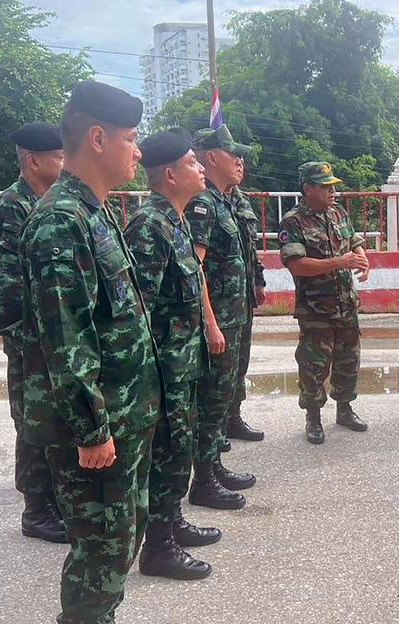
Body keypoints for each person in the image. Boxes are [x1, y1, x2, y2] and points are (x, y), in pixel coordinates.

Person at [19, 81, 161, 622]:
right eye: (131, 139)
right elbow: (66, 339)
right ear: (98, 138)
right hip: (98, 428)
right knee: (99, 553)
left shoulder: (94, 212)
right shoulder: (62, 221)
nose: (137, 152)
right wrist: (91, 429)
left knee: (118, 544)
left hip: (123, 417)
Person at [124, 127, 222, 580]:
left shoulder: (175, 220)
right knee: (166, 453)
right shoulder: (150, 227)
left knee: (178, 449)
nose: (200, 168)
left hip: (182, 364)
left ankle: (171, 522)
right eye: (191, 163)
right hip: (162, 371)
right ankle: (158, 548)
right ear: (169, 175)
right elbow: (137, 311)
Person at [0, 122, 67, 544]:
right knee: (33, 419)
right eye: (59, 157)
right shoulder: (12, 206)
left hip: (48, 334)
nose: (66, 164)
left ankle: (54, 498)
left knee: (54, 416)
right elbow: (9, 282)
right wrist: (24, 341)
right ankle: (36, 509)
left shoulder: (50, 201)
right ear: (34, 161)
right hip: (27, 337)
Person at [185, 124, 257, 510]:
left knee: (223, 396)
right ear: (212, 158)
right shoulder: (203, 204)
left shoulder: (226, 200)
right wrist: (210, 323)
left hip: (235, 314)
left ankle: (212, 466)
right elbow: (195, 268)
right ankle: (203, 481)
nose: (240, 160)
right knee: (211, 401)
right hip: (219, 320)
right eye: (234, 154)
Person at [279, 161, 371, 444]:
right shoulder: (293, 221)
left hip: (346, 303)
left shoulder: (338, 212)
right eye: (325, 187)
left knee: (348, 359)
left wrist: (362, 257)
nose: (332, 192)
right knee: (313, 365)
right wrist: (338, 262)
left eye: (333, 186)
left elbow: (354, 240)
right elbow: (297, 265)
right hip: (316, 309)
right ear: (308, 189)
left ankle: (345, 409)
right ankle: (313, 417)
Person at [225, 188, 267, 444]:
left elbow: (250, 248)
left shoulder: (239, 201)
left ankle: (233, 418)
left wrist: (258, 280)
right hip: (220, 304)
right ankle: (215, 428)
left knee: (239, 363)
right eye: (235, 165)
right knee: (220, 370)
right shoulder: (203, 201)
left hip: (242, 299)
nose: (239, 167)